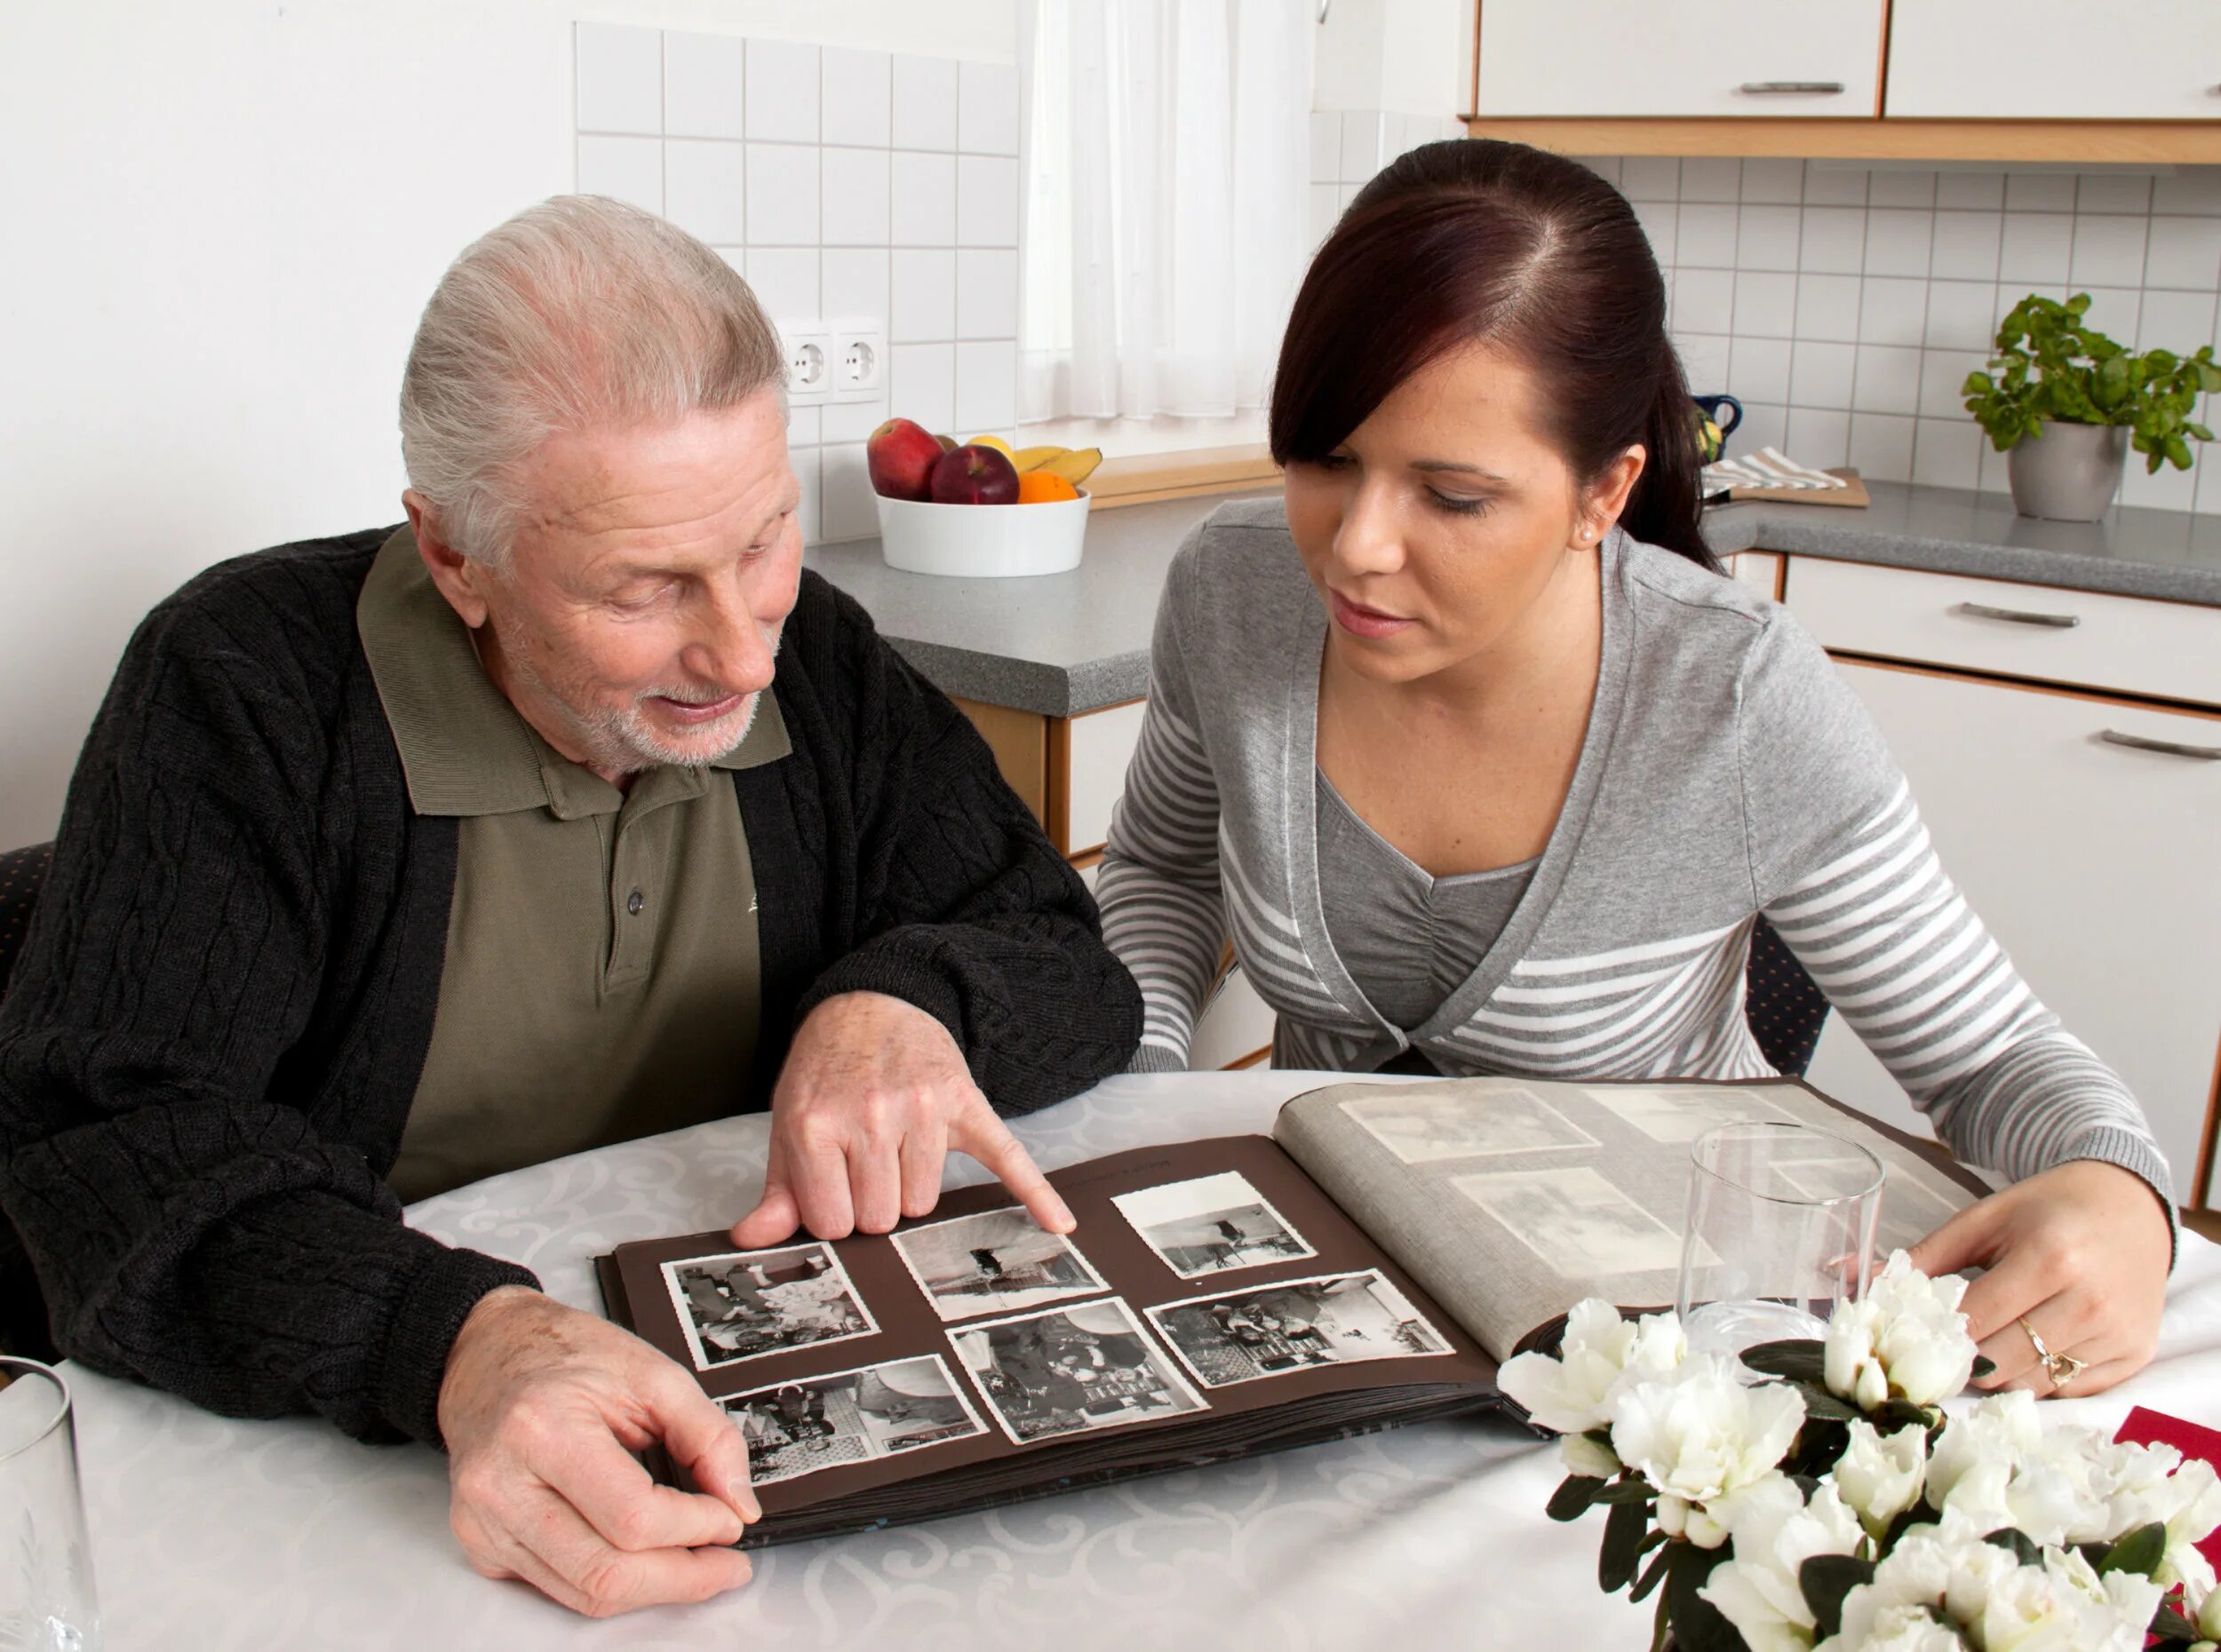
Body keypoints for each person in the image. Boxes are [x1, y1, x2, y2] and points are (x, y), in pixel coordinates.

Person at [0, 195, 1142, 1617]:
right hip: (368, 1453)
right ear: (457, 558)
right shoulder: (241, 690)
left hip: (758, 1437)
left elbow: (1066, 955)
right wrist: (451, 1343)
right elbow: (104, 1152)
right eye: (643, 585)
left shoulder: (821, 662)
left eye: (765, 540)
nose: (738, 647)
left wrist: (907, 1001)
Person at [1095, 139, 2174, 1406]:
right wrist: (1142, 1087)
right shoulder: (1234, 593)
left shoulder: (1734, 698)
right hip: (1326, 1306)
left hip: (1661, 1373)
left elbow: (1990, 1057)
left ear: (1602, 492)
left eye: (1452, 495)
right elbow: (1164, 869)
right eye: (1327, 458)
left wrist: (2122, 1199)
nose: (1357, 547)